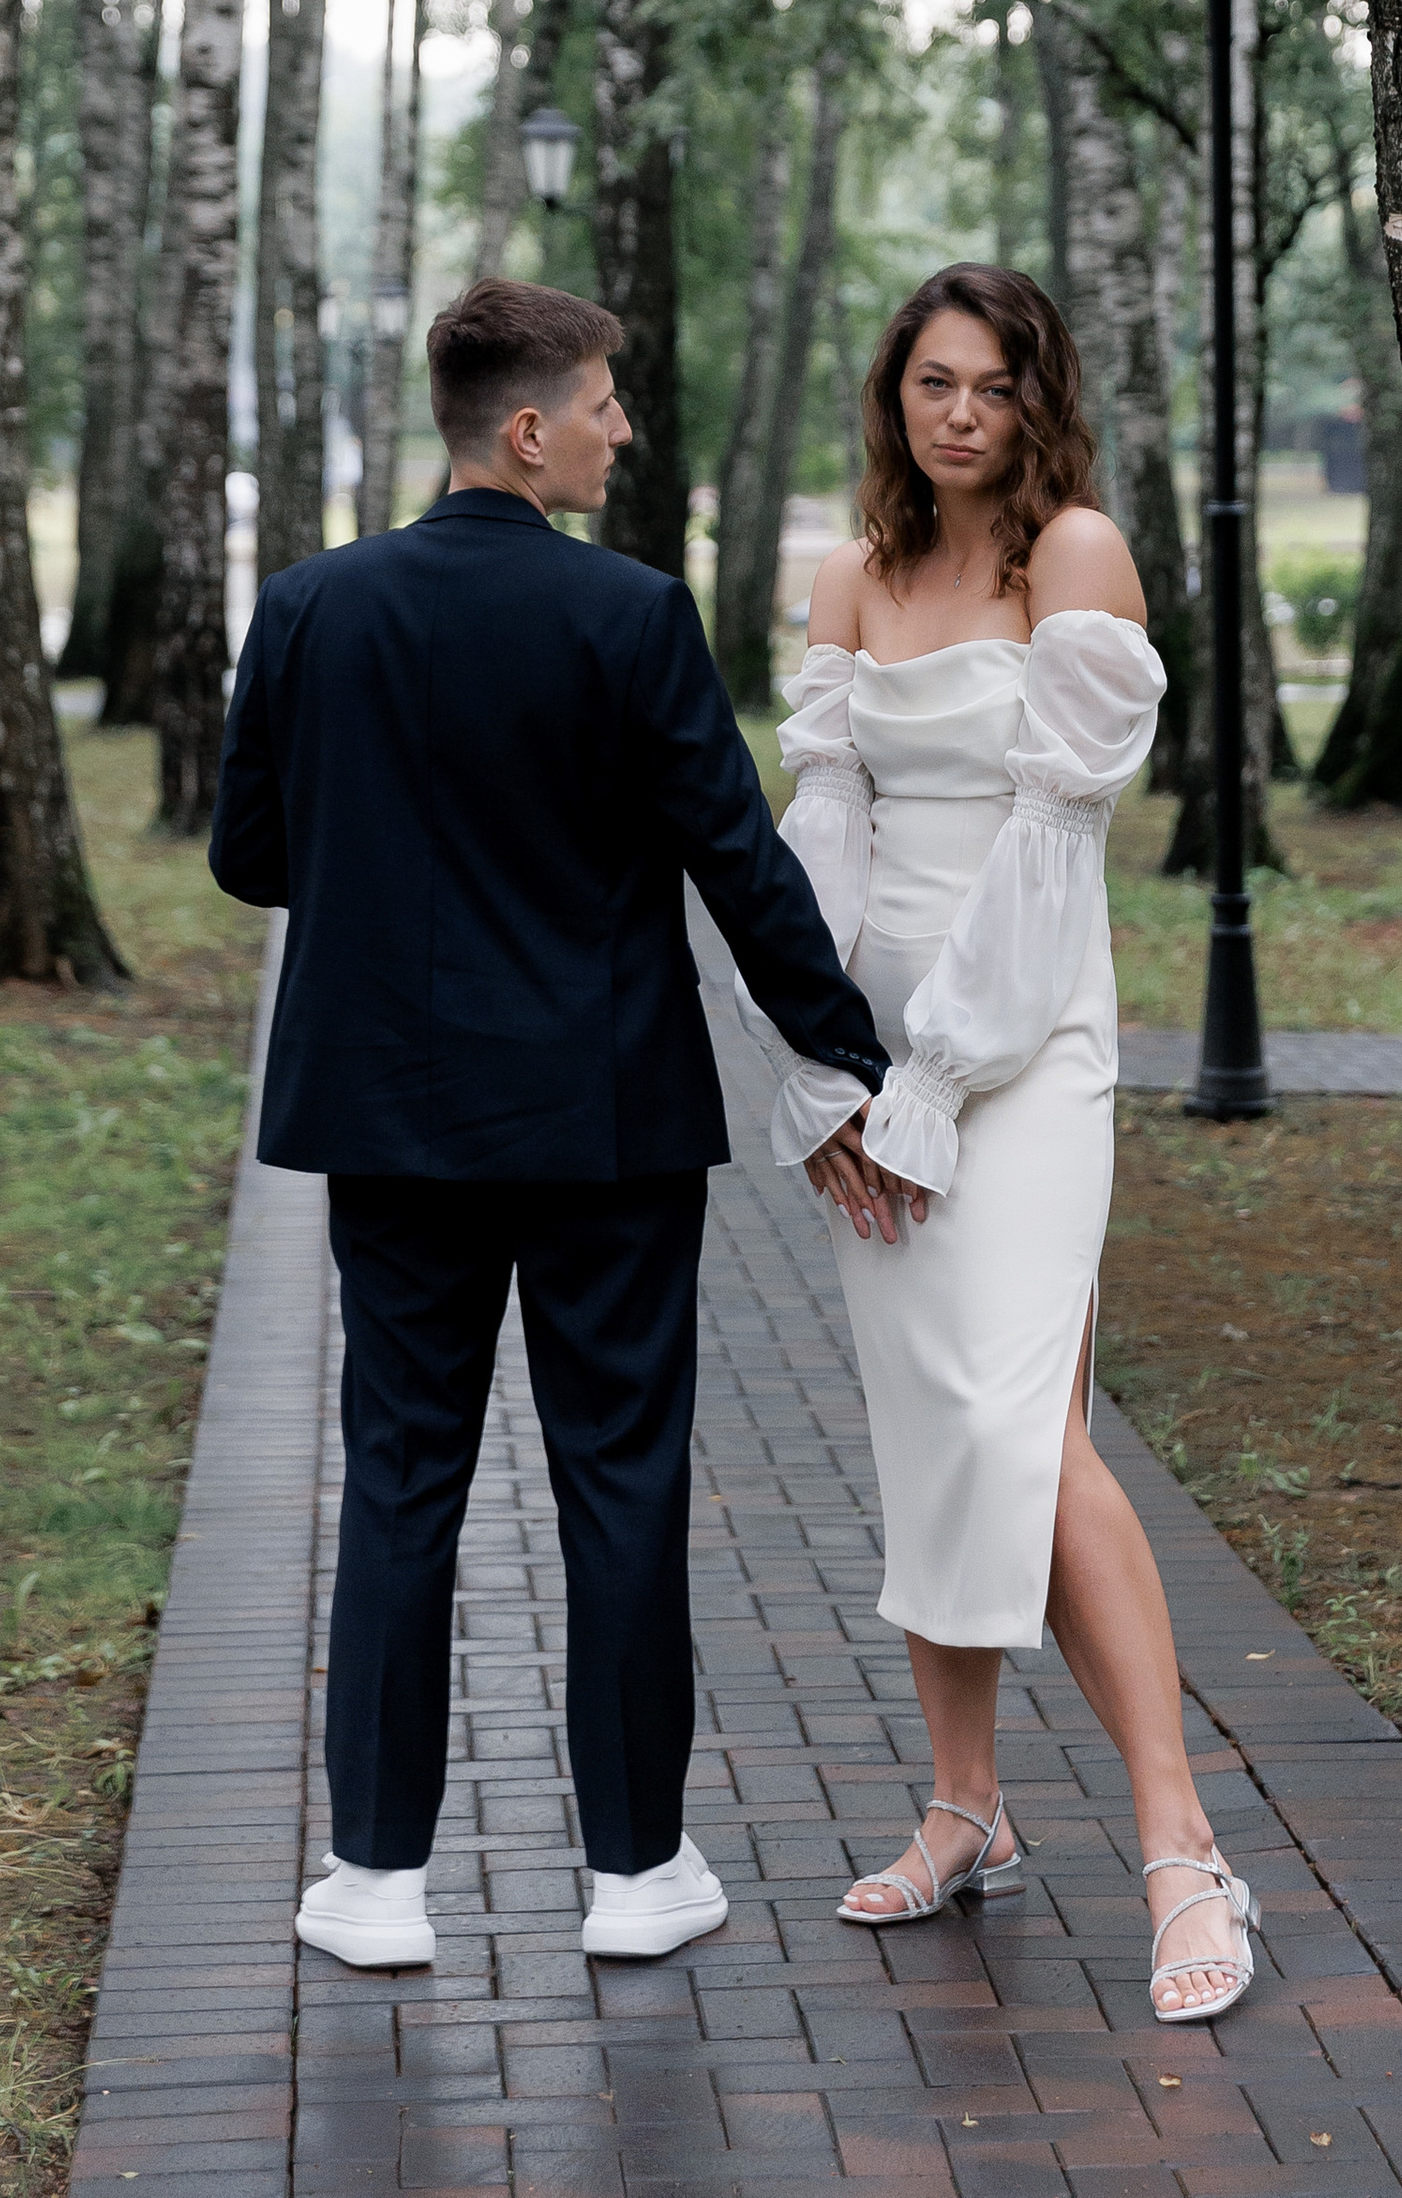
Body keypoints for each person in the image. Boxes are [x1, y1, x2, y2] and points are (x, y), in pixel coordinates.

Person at [208, 277, 892, 1973]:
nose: (622, 429)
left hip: (395, 1122)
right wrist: (853, 1057)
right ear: (528, 428)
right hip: (604, 1125)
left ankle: (373, 1881)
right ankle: (636, 1873)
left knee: (403, 1482)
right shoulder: (632, 616)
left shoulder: (308, 609)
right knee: (621, 1482)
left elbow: (249, 858)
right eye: (602, 405)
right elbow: (739, 859)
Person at [733, 264, 1258, 2026]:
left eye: (992, 386)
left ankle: (1183, 1848)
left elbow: (1049, 855)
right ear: (895, 397)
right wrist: (825, 1078)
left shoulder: (1079, 561)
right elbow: (820, 840)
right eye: (930, 382)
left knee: (1022, 1433)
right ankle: (967, 1806)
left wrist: (938, 1088)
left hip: (1023, 1056)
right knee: (926, 1434)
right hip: (875, 1057)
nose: (957, 414)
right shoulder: (848, 576)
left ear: (1041, 401)